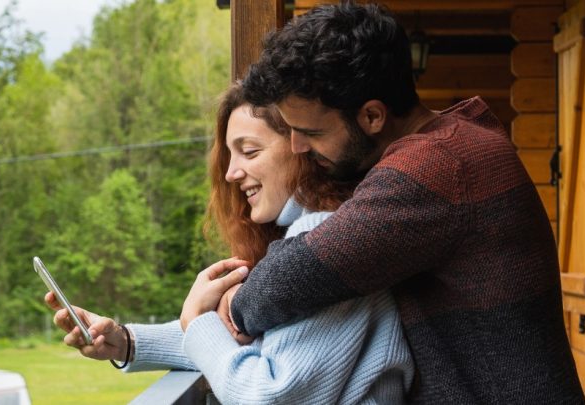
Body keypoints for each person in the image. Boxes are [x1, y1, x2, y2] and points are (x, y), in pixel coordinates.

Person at [226, 3, 585, 404]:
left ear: (373, 116)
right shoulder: (456, 146)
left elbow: (286, 281)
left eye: (310, 131)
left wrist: (231, 303)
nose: (298, 147)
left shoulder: (434, 169)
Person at [45, 83, 413, 404]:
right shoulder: (310, 234)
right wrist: (125, 342)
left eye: (249, 151)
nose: (231, 173)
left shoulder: (323, 237)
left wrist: (197, 320)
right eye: (230, 154)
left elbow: (267, 395)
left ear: (302, 147)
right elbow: (244, 342)